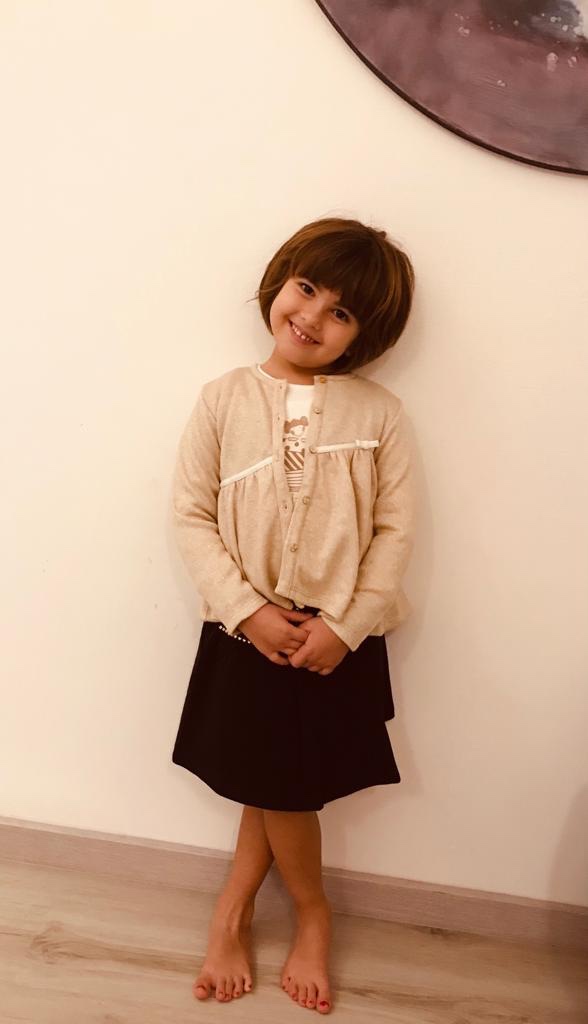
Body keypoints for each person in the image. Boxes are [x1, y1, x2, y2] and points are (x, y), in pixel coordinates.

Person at [171, 216, 416, 1013]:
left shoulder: (381, 415)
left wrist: (346, 626)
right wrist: (247, 611)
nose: (311, 316)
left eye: (341, 312)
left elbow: (395, 531)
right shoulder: (222, 399)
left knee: (278, 781)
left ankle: (252, 909)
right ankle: (298, 910)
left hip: (336, 635)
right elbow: (190, 516)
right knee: (275, 779)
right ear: (279, 282)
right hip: (245, 632)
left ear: (365, 335)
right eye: (306, 289)